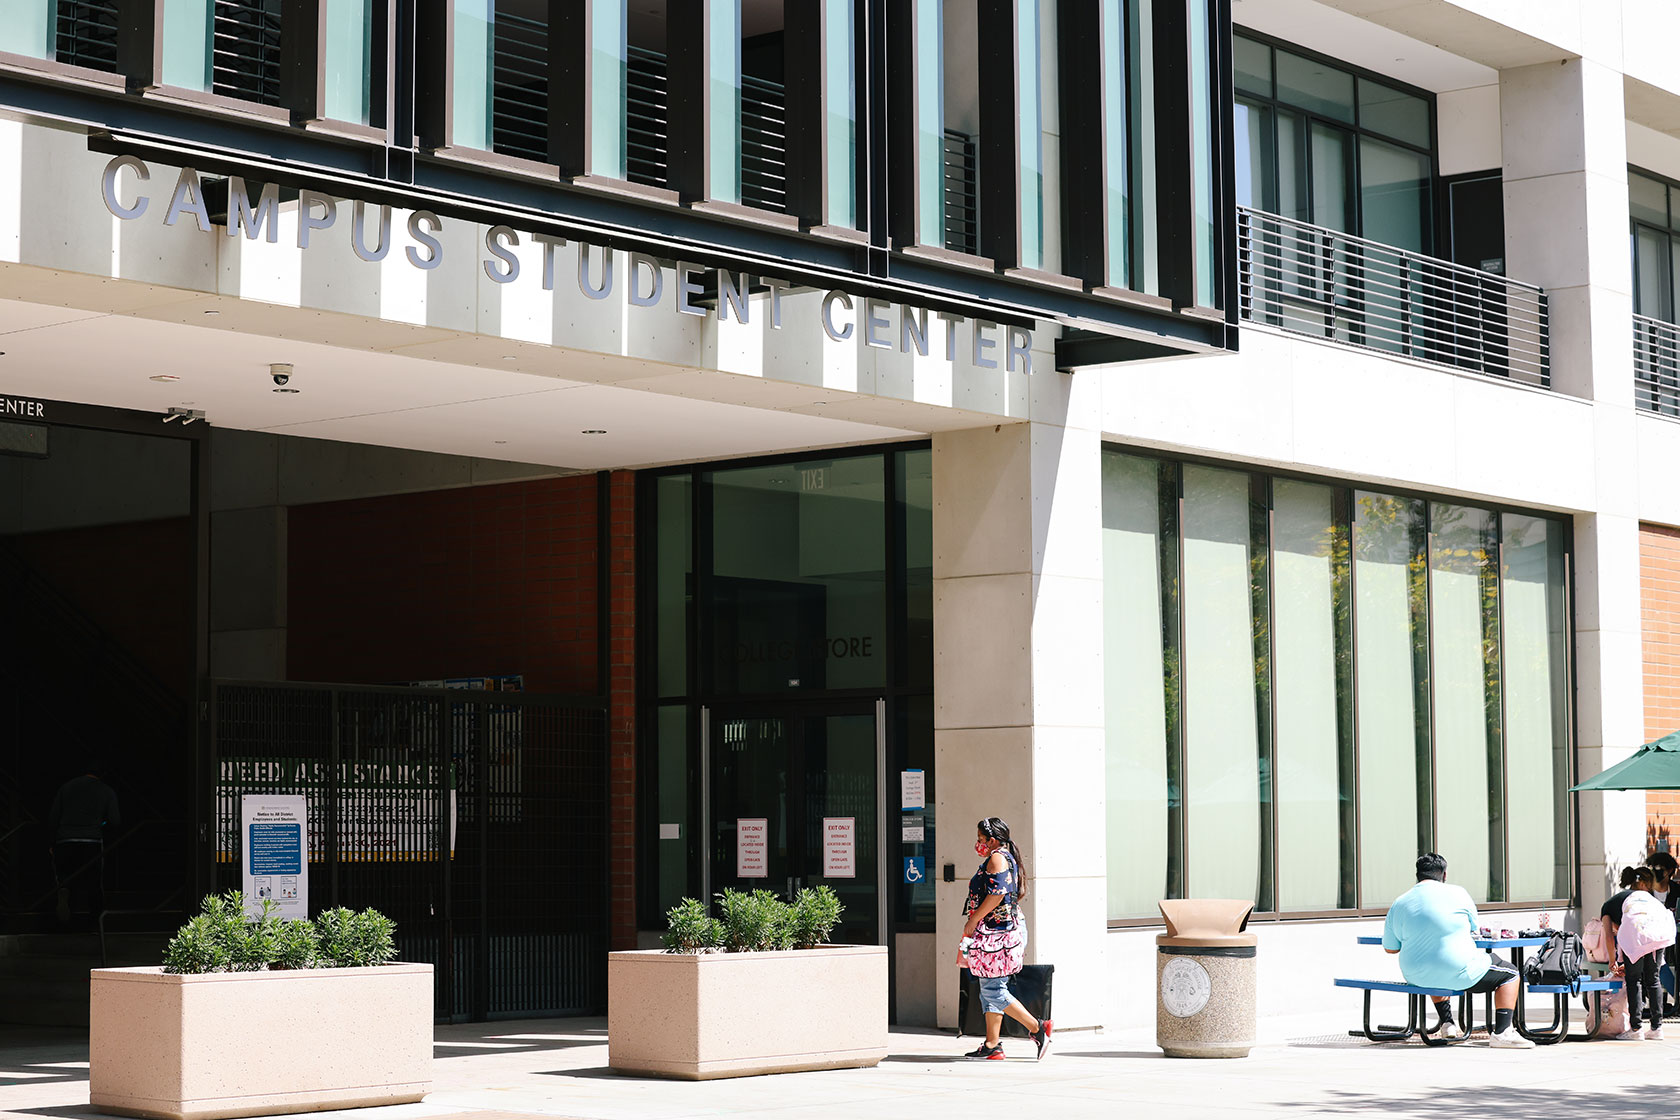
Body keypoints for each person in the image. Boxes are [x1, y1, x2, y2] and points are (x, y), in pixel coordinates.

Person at [1382, 853, 1533, 1049]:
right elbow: (1474, 929)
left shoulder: (1399, 902)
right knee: (1511, 974)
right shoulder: (1458, 893)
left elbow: (1390, 948)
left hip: (1415, 975)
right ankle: (1502, 1032)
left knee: (1434, 963)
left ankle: (1447, 1023)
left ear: (1417, 875)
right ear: (1444, 875)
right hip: (1458, 972)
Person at [957, 817, 1051, 1061]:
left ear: (992, 840)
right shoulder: (1004, 856)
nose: (978, 844)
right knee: (989, 987)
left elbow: (996, 896)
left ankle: (1037, 1028)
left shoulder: (998, 857)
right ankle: (992, 1045)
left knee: (993, 990)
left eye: (980, 840)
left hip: (998, 934)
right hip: (999, 931)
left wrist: (973, 920)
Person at [1605, 866, 1674, 1040]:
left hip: (1636, 934)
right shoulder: (1648, 899)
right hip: (1659, 934)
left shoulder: (1611, 903)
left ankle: (1636, 1029)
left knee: (1634, 979)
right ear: (1644, 884)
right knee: (1653, 979)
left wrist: (1613, 961)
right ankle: (1657, 1028)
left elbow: (1607, 934)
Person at [48, 758, 121, 921]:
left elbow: (53, 817)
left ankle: (65, 897)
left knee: (66, 877)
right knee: (93, 881)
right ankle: (96, 919)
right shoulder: (106, 791)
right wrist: (101, 825)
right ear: (103, 773)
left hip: (65, 838)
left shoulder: (66, 787)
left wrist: (52, 841)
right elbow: (115, 820)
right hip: (91, 840)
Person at [1650, 852, 1679, 1017]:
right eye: (1652, 869)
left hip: (1673, 937)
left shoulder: (1677, 891)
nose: (1655, 872)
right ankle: (1676, 999)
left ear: (1669, 871)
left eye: (1659, 869)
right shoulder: (1644, 892)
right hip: (1650, 940)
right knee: (1658, 962)